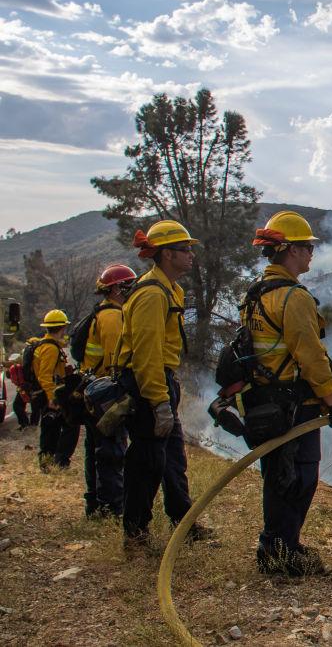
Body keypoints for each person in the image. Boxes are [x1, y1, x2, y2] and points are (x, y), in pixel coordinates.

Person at [246, 210, 332, 576]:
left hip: (265, 404)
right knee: (299, 478)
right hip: (294, 405)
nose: (311, 253)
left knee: (278, 476)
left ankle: (276, 546)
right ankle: (282, 553)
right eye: (307, 247)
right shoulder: (293, 298)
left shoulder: (257, 294)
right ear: (289, 250)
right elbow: (311, 357)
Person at [118, 220, 213, 551]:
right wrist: (158, 401)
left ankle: (183, 523)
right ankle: (135, 534)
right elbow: (146, 355)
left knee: (173, 459)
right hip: (148, 385)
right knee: (147, 461)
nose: (190, 255)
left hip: (162, 381)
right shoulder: (151, 295)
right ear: (166, 255)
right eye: (185, 249)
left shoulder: (172, 289)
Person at [80, 264, 135, 518]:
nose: (131, 290)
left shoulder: (101, 313)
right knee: (111, 451)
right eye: (128, 285)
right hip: (107, 394)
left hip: (95, 389)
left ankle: (95, 503)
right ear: (115, 288)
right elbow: (117, 360)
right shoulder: (113, 317)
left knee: (96, 449)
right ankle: (111, 507)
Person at [32, 310, 77, 470]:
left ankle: (49, 462)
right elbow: (45, 375)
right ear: (62, 327)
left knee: (51, 430)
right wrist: (52, 398)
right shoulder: (50, 348)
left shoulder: (44, 345)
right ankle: (59, 462)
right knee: (68, 426)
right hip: (50, 395)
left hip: (46, 393)